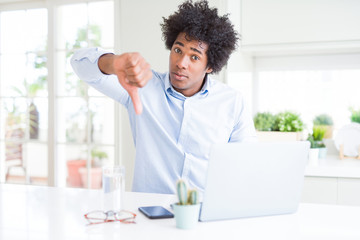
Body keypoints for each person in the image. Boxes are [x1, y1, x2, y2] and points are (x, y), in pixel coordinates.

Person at [71, 0, 256, 194]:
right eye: (178, 50)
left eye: (194, 57)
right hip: (148, 214)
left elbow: (245, 164)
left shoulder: (232, 102)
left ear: (210, 66)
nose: (181, 63)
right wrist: (113, 62)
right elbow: (79, 64)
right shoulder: (142, 85)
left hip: (205, 214)